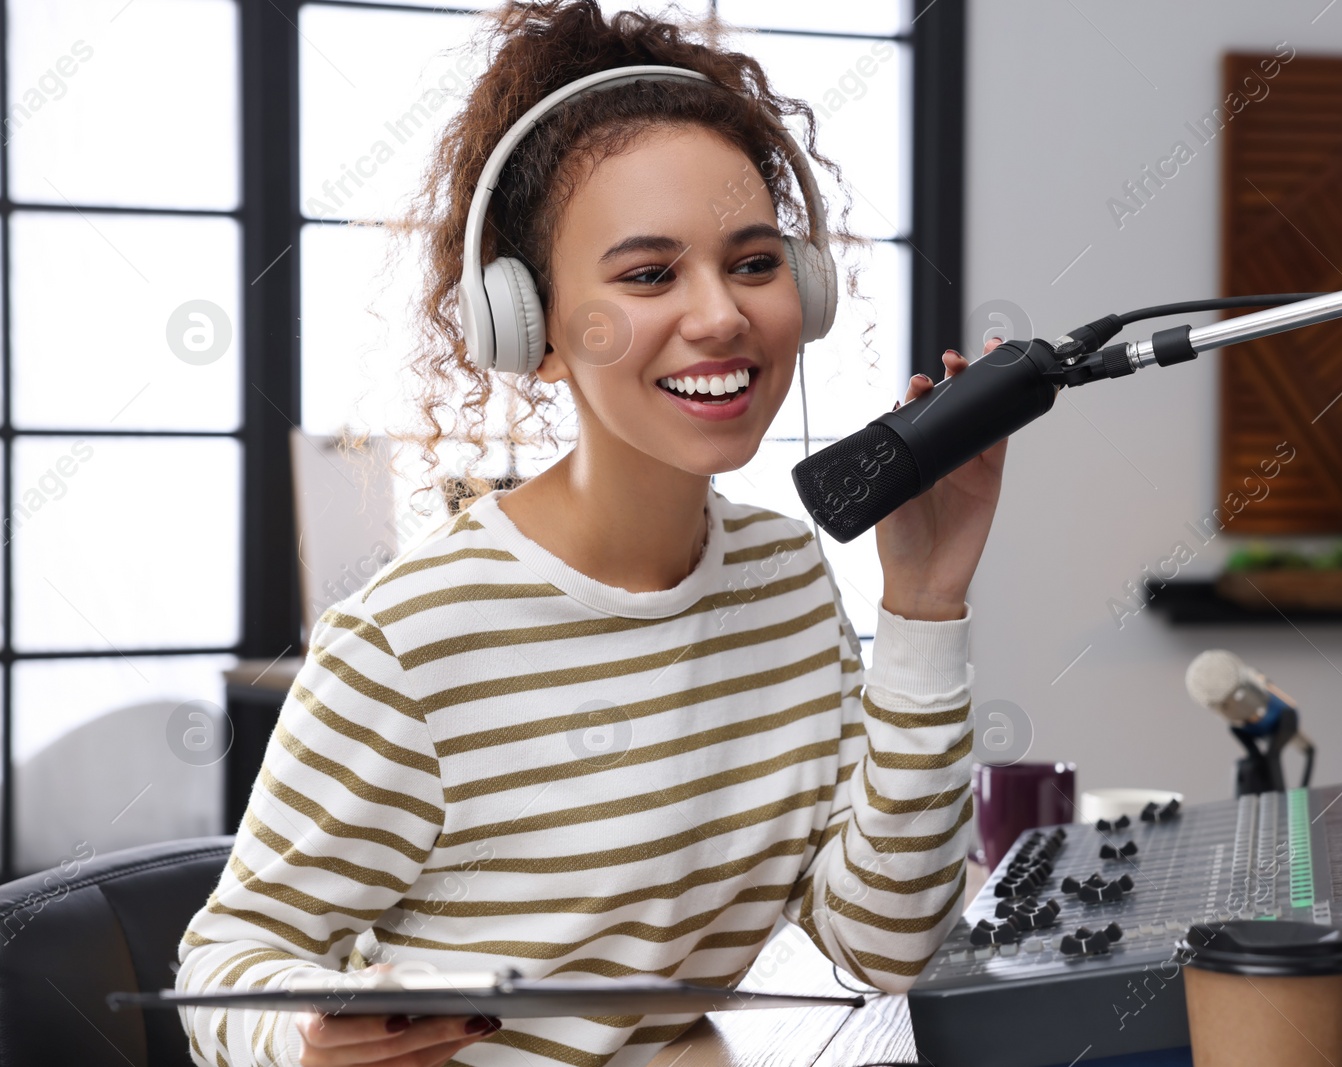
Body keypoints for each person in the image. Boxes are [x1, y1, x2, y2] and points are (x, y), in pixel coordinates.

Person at [176, 2, 1008, 1064]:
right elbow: (225, 963)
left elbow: (885, 943)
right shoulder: (411, 642)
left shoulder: (787, 579)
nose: (719, 317)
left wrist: (923, 605)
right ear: (531, 326)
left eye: (754, 262)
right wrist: (300, 1033)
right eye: (649, 275)